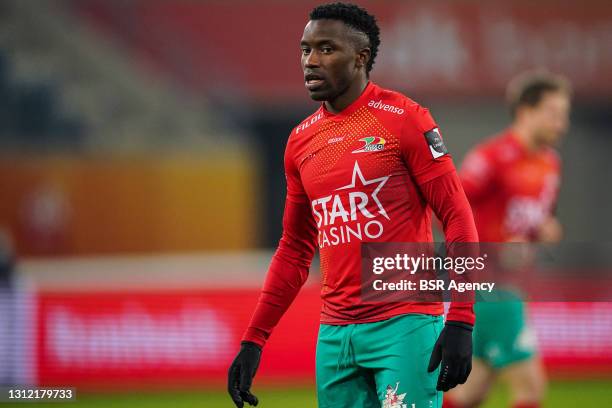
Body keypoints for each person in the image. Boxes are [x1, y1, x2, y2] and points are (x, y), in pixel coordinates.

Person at [228, 3, 478, 407]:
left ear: (361, 58)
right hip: (336, 338)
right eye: (305, 49)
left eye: (326, 49)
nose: (310, 61)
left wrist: (462, 318)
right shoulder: (300, 143)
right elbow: (293, 250)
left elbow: (457, 216)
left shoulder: (405, 119)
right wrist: (254, 339)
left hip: (405, 323)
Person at [445, 71, 571, 408]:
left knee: (470, 393)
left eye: (564, 115)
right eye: (554, 113)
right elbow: (449, 207)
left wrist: (544, 228)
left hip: (508, 285)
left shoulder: (550, 163)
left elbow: (525, 222)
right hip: (491, 285)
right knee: (530, 388)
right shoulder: (492, 157)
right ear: (526, 111)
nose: (562, 124)